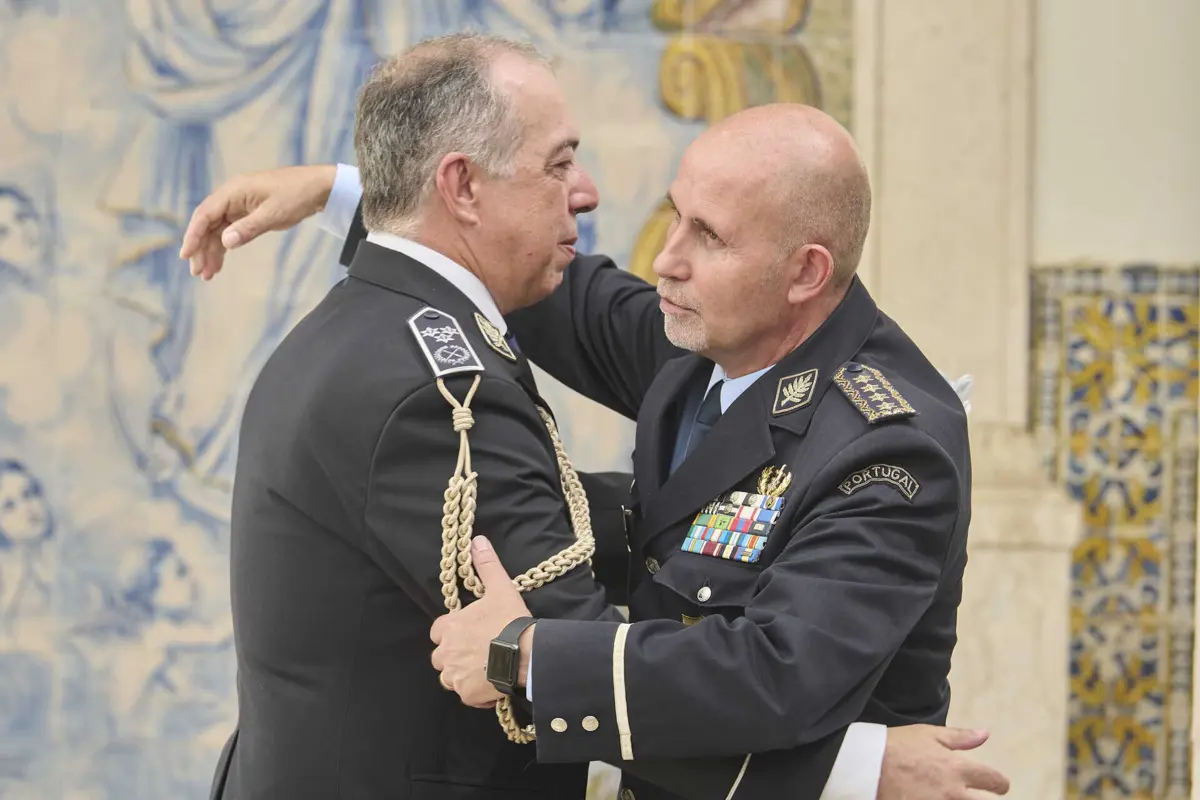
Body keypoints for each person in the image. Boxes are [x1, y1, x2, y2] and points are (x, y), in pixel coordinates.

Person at [182, 40, 1011, 800]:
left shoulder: (886, 443)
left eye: (708, 236)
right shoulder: (717, 336)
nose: (666, 261)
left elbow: (773, 672)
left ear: (804, 273)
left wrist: (526, 656)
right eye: (675, 213)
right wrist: (355, 193)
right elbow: (545, 280)